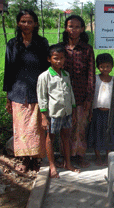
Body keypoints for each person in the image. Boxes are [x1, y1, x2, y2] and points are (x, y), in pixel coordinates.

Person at [3, 9, 49, 172]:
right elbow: (8, 70)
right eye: (23, 21)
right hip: (17, 92)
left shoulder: (42, 43)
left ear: (35, 24)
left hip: (37, 92)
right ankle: (24, 159)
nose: (26, 25)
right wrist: (8, 96)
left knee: (37, 129)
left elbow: (47, 69)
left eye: (30, 21)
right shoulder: (12, 44)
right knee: (21, 128)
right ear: (18, 23)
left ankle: (36, 160)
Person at [37, 44, 80, 178]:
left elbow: (71, 93)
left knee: (66, 137)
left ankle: (67, 163)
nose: (59, 61)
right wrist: (44, 116)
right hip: (53, 114)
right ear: (49, 59)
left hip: (66, 112)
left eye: (61, 58)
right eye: (56, 58)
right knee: (51, 138)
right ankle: (52, 165)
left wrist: (73, 111)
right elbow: (42, 96)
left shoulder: (66, 74)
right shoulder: (45, 76)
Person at [61, 15, 95, 168]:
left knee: (80, 127)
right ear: (66, 28)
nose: (73, 30)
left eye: (76, 27)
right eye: (70, 26)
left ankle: (79, 156)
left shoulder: (87, 49)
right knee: (65, 127)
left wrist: (89, 97)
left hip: (81, 95)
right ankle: (65, 157)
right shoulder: (60, 49)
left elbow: (91, 74)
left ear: (82, 29)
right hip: (63, 96)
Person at [88, 53, 114, 166]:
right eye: (102, 66)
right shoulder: (95, 79)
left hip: (110, 113)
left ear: (111, 67)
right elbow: (91, 97)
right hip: (97, 112)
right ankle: (98, 157)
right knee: (96, 134)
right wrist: (90, 112)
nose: (105, 69)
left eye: (107, 66)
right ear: (98, 67)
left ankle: (107, 157)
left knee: (108, 135)